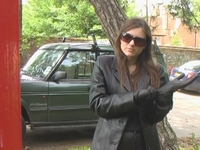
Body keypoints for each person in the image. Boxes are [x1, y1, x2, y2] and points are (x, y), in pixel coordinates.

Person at [89, 17, 198, 150]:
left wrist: (165, 94)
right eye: (127, 37)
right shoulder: (103, 64)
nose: (131, 43)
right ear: (120, 37)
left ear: (145, 45)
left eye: (139, 40)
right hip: (109, 143)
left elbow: (153, 117)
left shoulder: (156, 71)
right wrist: (134, 97)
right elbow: (98, 104)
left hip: (144, 143)